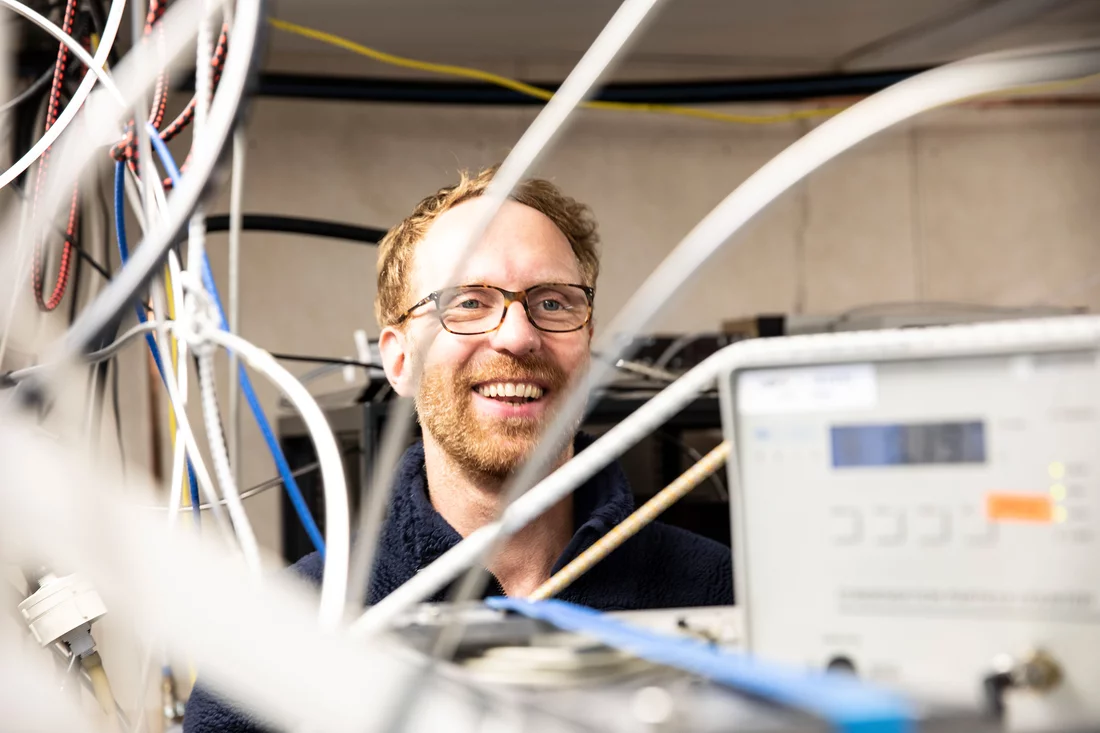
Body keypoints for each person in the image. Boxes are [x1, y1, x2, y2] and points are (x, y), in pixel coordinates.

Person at [183, 166, 732, 732]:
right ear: (398, 360)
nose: (518, 336)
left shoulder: (722, 598)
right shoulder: (285, 634)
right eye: (468, 302)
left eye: (552, 303)